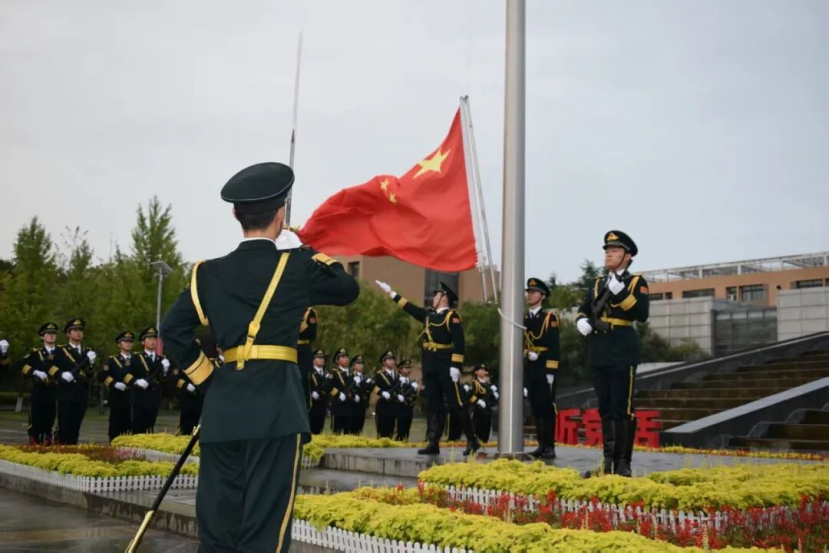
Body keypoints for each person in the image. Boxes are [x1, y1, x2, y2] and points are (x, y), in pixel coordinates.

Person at [161, 162, 359, 552]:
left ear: (236, 214)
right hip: (276, 411)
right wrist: (305, 248)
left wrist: (211, 380)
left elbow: (171, 331)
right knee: (264, 531)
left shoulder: (208, 273)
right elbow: (346, 288)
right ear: (280, 215)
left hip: (223, 410)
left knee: (218, 531)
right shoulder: (296, 265)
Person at [375, 280, 479, 457]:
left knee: (456, 404)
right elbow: (410, 308)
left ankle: (472, 439)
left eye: (437, 295)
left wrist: (455, 366)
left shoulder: (451, 316)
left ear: (444, 298)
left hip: (445, 365)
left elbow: (459, 342)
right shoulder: (429, 315)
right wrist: (392, 293)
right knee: (433, 404)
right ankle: (433, 442)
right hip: (430, 365)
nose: (434, 298)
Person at [576, 231, 650, 477]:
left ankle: (622, 463)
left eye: (615, 250)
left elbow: (641, 314)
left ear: (627, 256)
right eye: (607, 250)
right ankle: (607, 462)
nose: (609, 254)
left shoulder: (636, 282)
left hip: (622, 349)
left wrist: (620, 292)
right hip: (599, 349)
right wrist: (581, 321)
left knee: (622, 407)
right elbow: (583, 309)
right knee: (605, 407)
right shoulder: (598, 283)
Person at [524, 277, 560, 460]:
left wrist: (551, 370)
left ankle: (549, 446)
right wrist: (526, 353)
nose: (530, 295)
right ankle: (541, 445)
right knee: (536, 407)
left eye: (534, 292)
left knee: (547, 407)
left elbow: (554, 346)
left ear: (543, 296)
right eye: (529, 292)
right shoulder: (525, 318)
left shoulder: (549, 317)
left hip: (545, 367)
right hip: (531, 367)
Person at [53, 319, 96, 445]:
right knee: (64, 425)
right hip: (66, 392)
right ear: (68, 333)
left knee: (76, 426)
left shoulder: (87, 351)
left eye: (80, 330)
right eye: (75, 330)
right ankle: (62, 448)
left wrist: (91, 364)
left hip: (81, 392)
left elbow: (90, 374)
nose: (78, 333)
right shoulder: (60, 350)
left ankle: (72, 448)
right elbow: (49, 366)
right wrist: (61, 374)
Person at [20, 323, 60, 445]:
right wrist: (35, 372)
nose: (51, 336)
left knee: (50, 417)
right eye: (48, 334)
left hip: (55, 389)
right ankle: (35, 439)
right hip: (39, 390)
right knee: (36, 418)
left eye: (53, 334)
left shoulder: (61, 353)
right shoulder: (35, 353)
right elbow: (21, 365)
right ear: (42, 336)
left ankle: (48, 438)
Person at [130, 326, 170, 434]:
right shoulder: (136, 358)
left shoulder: (161, 359)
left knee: (150, 426)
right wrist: (136, 381)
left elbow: (164, 381)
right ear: (143, 342)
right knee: (138, 426)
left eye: (154, 339)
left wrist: (165, 371)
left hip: (154, 396)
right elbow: (127, 375)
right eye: (149, 339)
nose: (152, 342)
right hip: (140, 396)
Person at [99, 331, 136, 443]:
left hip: (133, 395)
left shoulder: (137, 359)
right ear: (119, 344)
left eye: (130, 342)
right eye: (125, 341)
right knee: (116, 424)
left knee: (131, 424)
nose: (128, 344)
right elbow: (102, 375)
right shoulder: (112, 360)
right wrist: (114, 383)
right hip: (117, 396)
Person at [325, 348, 352, 435]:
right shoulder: (334, 373)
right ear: (337, 360)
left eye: (346, 357)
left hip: (349, 408)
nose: (346, 359)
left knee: (348, 434)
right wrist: (338, 394)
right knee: (336, 432)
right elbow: (328, 387)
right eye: (343, 357)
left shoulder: (351, 374)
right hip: (337, 407)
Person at [372, 350, 399, 439]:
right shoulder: (379, 375)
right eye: (389, 359)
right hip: (383, 406)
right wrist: (381, 392)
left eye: (393, 359)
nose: (392, 361)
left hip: (393, 405)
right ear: (384, 362)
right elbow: (372, 386)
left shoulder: (397, 376)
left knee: (391, 430)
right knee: (383, 432)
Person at [469, 364, 496, 444]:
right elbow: (469, 395)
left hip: (486, 409)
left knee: (486, 428)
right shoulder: (475, 383)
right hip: (478, 409)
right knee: (478, 429)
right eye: (481, 370)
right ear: (476, 372)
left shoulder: (486, 384)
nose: (483, 371)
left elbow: (490, 397)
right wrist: (478, 401)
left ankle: (484, 444)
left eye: (484, 370)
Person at [297, 307, 317, 404]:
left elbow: (311, 333)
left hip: (303, 350)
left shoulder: (310, 313)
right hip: (291, 349)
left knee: (304, 378)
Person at [395, 359, 418, 442]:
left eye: (409, 368)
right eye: (406, 368)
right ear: (400, 369)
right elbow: (397, 392)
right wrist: (408, 387)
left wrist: (415, 390)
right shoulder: (397, 380)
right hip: (400, 408)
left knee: (406, 430)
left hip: (409, 408)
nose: (409, 370)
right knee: (400, 430)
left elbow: (414, 397)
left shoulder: (411, 381)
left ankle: (405, 442)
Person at [307, 349, 328, 435]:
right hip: (312, 406)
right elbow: (305, 385)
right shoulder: (309, 372)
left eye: (322, 358)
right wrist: (311, 392)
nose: (321, 359)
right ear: (313, 360)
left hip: (323, 405)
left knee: (319, 430)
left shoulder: (327, 373)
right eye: (319, 358)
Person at [348, 355, 370, 436]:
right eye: (358, 363)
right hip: (352, 406)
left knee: (359, 427)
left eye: (362, 363)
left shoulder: (366, 377)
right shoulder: (350, 377)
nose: (361, 365)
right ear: (353, 366)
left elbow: (368, 390)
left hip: (362, 405)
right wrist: (353, 396)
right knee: (352, 428)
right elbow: (348, 390)